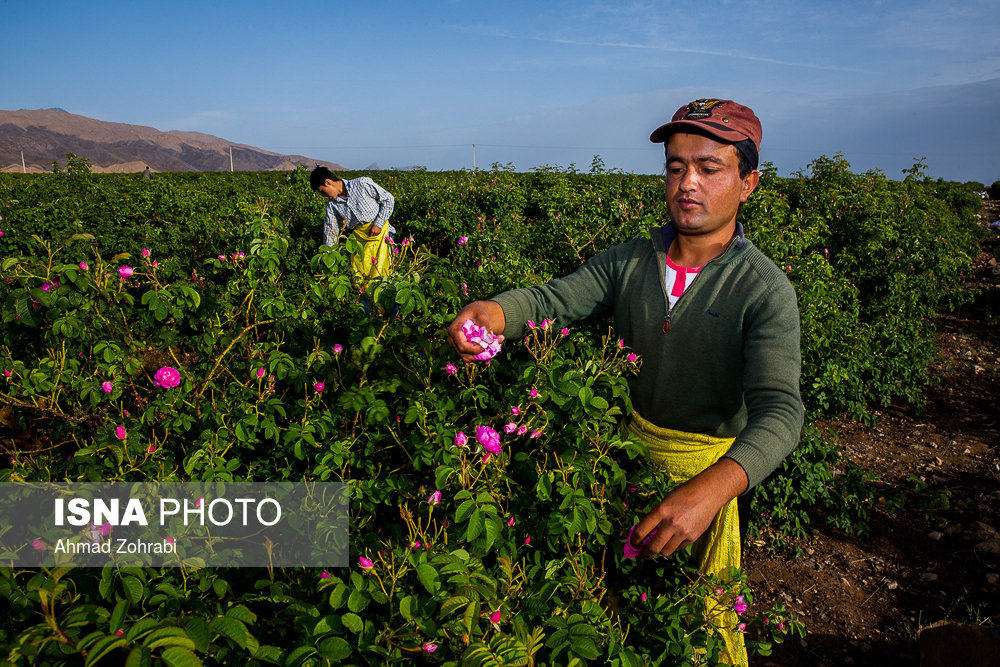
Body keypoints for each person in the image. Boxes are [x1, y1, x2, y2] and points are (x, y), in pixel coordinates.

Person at [447, 98, 803, 666]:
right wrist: (495, 312)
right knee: (612, 617)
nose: (688, 183)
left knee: (690, 627)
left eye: (709, 168)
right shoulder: (631, 261)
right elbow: (554, 299)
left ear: (748, 183)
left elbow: (781, 412)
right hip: (623, 461)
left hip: (701, 478)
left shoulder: (763, 290)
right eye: (675, 167)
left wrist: (710, 492)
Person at [309, 166, 396, 247]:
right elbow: (330, 230)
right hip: (360, 241)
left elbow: (388, 199)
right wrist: (329, 253)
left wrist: (378, 224)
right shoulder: (332, 204)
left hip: (383, 234)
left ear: (328, 182)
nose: (323, 195)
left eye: (322, 191)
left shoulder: (361, 184)